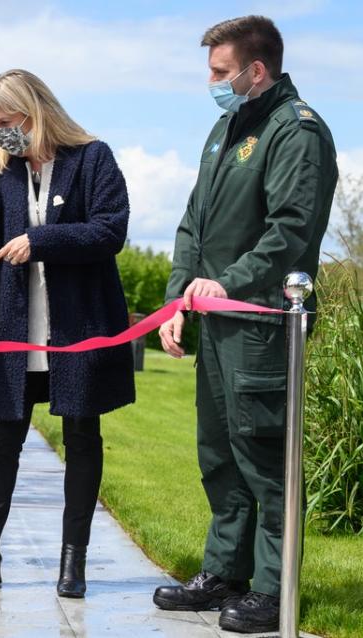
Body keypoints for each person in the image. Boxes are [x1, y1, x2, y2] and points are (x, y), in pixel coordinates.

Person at [152, 16, 336, 634]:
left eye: (220, 72)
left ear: (257, 71)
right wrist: (179, 298)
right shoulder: (225, 127)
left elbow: (291, 229)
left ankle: (272, 588)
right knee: (219, 455)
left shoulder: (298, 131)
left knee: (264, 457)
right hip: (215, 321)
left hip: (262, 326)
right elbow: (192, 224)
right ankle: (224, 572)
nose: (212, 82)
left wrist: (229, 281)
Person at [0, 69, 134, 597]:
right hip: (15, 332)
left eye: (5, 121)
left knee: (82, 440)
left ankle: (73, 562)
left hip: (77, 331)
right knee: (2, 442)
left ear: (34, 111)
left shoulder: (93, 158)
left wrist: (40, 241)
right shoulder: (0, 173)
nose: (0, 132)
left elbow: (111, 230)